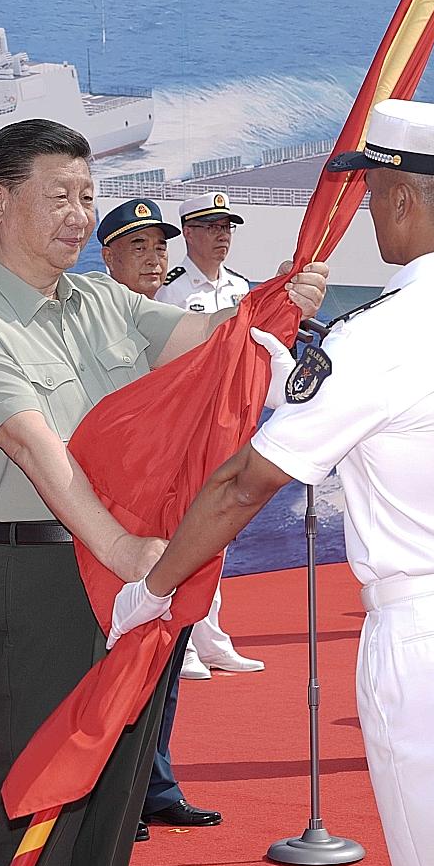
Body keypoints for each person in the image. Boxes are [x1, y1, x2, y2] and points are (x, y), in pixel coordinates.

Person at [110, 99, 434, 866]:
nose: (367, 213)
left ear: (400, 198)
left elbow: (239, 485)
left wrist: (154, 588)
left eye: (370, 195)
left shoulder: (379, 336)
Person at [0, 118, 327, 866]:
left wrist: (281, 300)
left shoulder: (100, 301)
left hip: (136, 571)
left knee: (116, 797)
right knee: (45, 803)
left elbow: (211, 341)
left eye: (87, 194)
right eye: (60, 196)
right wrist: (132, 560)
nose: (79, 214)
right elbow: (39, 451)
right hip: (46, 575)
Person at [96, 198, 222, 841]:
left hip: (172, 512)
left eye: (160, 246)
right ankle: (112, 796)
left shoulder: (178, 321)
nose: (155, 258)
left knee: (165, 655)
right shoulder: (92, 326)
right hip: (111, 522)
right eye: (137, 247)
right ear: (107, 257)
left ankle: (155, 788)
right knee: (114, 662)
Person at [156, 191, 265, 680]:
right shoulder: (172, 290)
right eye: (212, 227)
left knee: (221, 527)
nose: (223, 236)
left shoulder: (242, 288)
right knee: (187, 528)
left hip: (233, 419)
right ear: (190, 233)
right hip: (190, 423)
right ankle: (184, 639)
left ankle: (211, 636)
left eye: (228, 227)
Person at [98, 198, 178, 300]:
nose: (154, 261)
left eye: (160, 248)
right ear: (109, 257)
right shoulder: (94, 313)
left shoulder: (171, 308)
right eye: (139, 249)